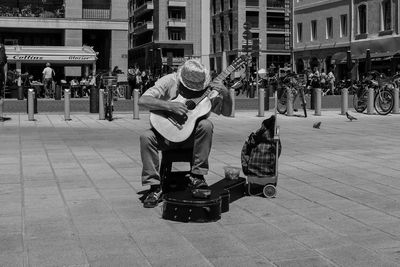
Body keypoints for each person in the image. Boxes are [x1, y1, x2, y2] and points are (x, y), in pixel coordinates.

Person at [138, 59, 232, 208]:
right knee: (146, 137)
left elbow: (226, 113)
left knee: (206, 125)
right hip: (165, 136)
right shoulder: (169, 80)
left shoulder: (207, 90)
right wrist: (169, 105)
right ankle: (154, 186)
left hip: (192, 138)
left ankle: (197, 176)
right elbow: (142, 100)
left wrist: (226, 94)